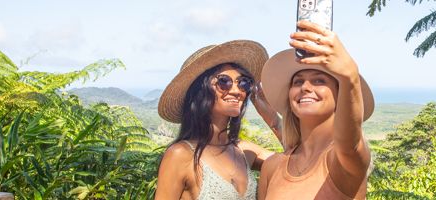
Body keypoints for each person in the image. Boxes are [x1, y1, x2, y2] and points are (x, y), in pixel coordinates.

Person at [257, 20, 375, 200]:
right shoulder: (272, 167)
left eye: (319, 80)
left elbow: (350, 144)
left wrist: (349, 75)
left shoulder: (343, 161)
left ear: (340, 96)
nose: (305, 87)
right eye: (298, 81)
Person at [155, 40, 282, 200]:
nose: (237, 91)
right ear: (200, 91)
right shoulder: (181, 155)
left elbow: (298, 160)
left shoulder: (243, 151)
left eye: (243, 83)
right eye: (224, 81)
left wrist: (271, 116)